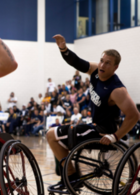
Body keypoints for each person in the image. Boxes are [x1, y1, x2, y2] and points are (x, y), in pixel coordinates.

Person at [47, 34, 139, 185]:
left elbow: (134, 115)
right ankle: (69, 174)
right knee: (54, 135)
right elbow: (76, 62)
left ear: (115, 67)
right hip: (94, 125)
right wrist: (63, 48)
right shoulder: (96, 71)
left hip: (103, 131)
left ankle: (71, 177)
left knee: (51, 135)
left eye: (107, 63)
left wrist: (114, 137)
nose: (102, 65)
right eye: (102, 61)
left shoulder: (117, 90)